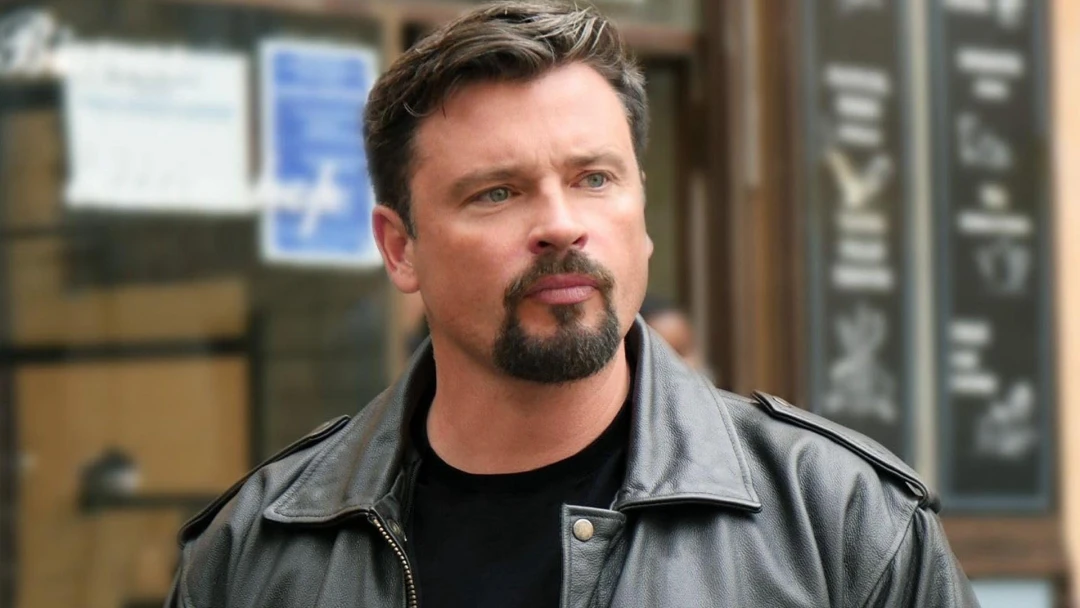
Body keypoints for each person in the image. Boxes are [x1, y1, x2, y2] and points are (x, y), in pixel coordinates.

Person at [166, 2, 979, 607]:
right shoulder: (258, 552)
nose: (561, 224)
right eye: (497, 192)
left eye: (594, 178)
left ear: (642, 212)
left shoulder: (840, 525)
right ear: (400, 247)